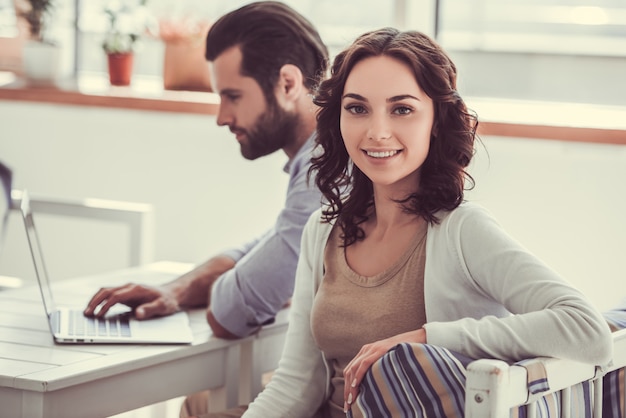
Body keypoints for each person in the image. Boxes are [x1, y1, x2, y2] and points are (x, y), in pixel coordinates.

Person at [227, 27, 613, 418]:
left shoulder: (463, 232)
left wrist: (430, 337)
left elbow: (586, 329)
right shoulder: (322, 230)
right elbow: (296, 384)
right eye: (357, 108)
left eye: (402, 109)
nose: (377, 132)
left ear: (437, 120)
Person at [84, 3, 328, 343]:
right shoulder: (319, 157)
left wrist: (262, 280)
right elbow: (266, 247)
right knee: (201, 398)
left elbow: (231, 316)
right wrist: (176, 290)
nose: (222, 117)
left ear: (288, 84)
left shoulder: (325, 172)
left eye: (233, 96)